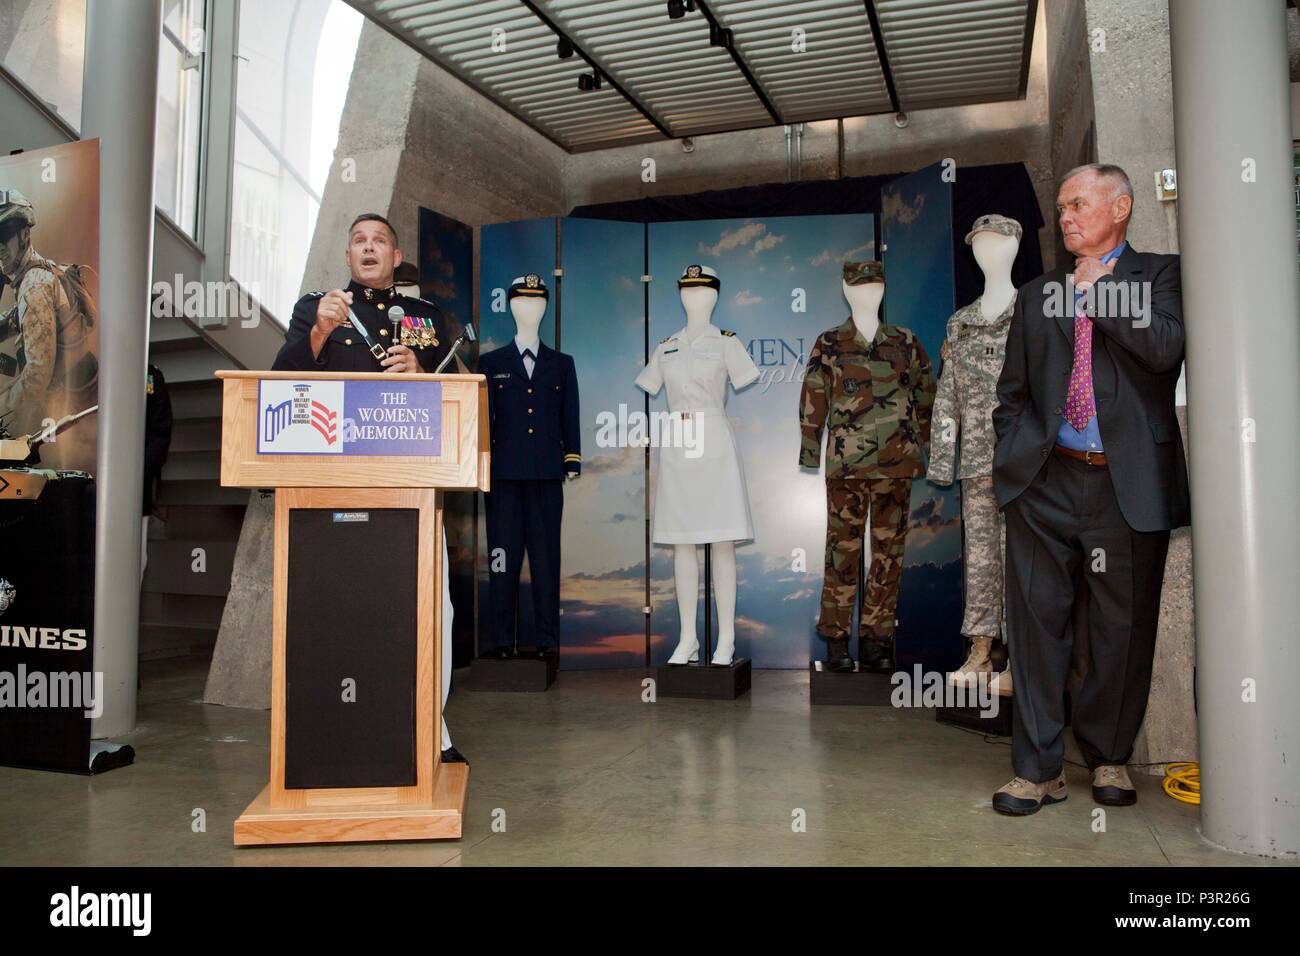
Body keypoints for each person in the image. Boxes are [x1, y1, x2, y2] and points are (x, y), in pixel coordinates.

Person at [990, 164, 1189, 814]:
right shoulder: (1038, 293)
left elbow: (1163, 349)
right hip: (1044, 487)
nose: (1066, 216)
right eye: (1063, 205)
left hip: (1126, 488)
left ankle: (1109, 758)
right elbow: (1012, 395)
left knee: (1120, 632)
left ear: (1121, 207)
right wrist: (1014, 462)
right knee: (1038, 629)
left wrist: (1101, 291)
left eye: (1079, 204)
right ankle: (1037, 770)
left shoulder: (1162, 274)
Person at [271, 212, 466, 765]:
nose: (369, 247)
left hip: (413, 481)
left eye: (379, 240)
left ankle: (434, 727)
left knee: (431, 605)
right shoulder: (319, 307)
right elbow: (282, 381)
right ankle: (339, 723)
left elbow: (462, 398)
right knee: (347, 606)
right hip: (338, 486)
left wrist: (426, 379)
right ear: (348, 256)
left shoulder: (426, 316)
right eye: (358, 240)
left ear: (397, 257)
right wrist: (317, 334)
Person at [0, 188, 98, 444]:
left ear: (24, 235)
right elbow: (19, 319)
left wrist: (2, 408)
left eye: (3, 236)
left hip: (65, 417)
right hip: (79, 404)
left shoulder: (33, 287)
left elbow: (36, 376)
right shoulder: (45, 270)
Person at [141, 362, 173, 580]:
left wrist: (136, 474)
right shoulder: (92, 371)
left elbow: (160, 434)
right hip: (90, 489)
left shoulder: (151, 376)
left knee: (135, 559)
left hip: (135, 494)